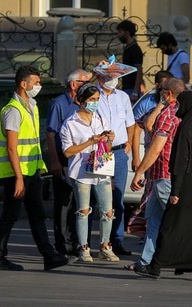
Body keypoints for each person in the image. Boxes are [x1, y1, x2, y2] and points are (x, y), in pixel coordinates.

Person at [136, 91, 192, 281]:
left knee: (170, 225)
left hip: (187, 183)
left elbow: (180, 163)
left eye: (181, 105)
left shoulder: (185, 128)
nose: (178, 109)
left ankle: (155, 266)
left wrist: (175, 190)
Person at [0, 66, 68, 271]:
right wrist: (18, 178)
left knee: (37, 214)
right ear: (24, 84)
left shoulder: (31, 106)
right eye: (36, 81)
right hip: (18, 173)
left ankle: (49, 256)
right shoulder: (13, 110)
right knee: (10, 214)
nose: (39, 85)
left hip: (31, 171)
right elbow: (11, 147)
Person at [125, 78, 184, 272]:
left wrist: (139, 171)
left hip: (164, 174)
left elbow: (156, 147)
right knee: (154, 220)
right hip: (158, 174)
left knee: (173, 220)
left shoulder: (169, 114)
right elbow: (148, 125)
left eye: (161, 92)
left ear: (167, 94)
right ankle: (146, 261)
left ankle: (180, 259)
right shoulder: (173, 111)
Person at [60, 83, 120, 263]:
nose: (94, 103)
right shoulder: (70, 123)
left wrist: (109, 139)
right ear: (81, 100)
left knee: (108, 211)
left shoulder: (100, 119)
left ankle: (105, 246)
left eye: (97, 100)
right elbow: (67, 151)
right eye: (91, 99)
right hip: (81, 172)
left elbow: (107, 147)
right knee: (83, 211)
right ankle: (83, 247)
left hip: (102, 170)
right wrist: (89, 142)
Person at [46, 68, 92, 257]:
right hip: (64, 158)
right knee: (64, 202)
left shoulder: (85, 105)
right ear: (73, 84)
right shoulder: (59, 104)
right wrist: (55, 161)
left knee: (79, 203)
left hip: (82, 160)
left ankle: (77, 242)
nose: (88, 87)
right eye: (84, 83)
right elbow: (51, 133)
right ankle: (62, 243)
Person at [95, 71, 136, 256]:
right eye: (109, 76)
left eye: (116, 76)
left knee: (118, 200)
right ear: (100, 77)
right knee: (97, 199)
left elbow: (131, 123)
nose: (114, 80)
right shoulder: (92, 93)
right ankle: (87, 242)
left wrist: (129, 142)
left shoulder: (123, 97)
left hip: (119, 152)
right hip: (99, 152)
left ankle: (116, 241)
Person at [117, 20, 144, 103]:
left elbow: (139, 70)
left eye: (120, 32)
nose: (118, 35)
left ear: (127, 33)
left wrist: (135, 92)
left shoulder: (134, 49)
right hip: (127, 87)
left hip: (131, 89)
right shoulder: (128, 48)